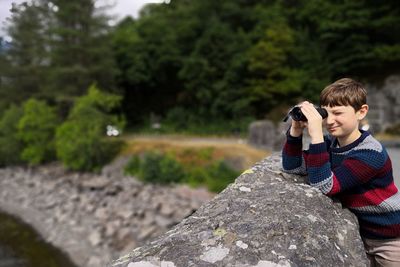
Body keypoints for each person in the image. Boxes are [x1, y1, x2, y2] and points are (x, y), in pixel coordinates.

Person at [281, 78, 400, 266]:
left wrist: (316, 136)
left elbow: (324, 185)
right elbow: (293, 166)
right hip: (360, 233)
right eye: (325, 114)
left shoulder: (370, 153)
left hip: (390, 238)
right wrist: (296, 129)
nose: (330, 121)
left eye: (337, 113)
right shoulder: (331, 144)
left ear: (361, 112)